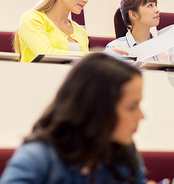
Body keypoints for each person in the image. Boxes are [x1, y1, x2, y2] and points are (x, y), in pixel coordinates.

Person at [0, 52, 149, 183]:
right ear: (97, 108)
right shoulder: (38, 157)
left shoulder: (125, 153)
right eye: (132, 107)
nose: (142, 116)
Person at [15, 0, 91, 62]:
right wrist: (94, 56)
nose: (86, 0)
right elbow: (45, 54)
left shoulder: (81, 31)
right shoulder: (32, 19)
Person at [106, 0, 174, 63]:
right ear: (133, 14)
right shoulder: (115, 48)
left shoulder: (169, 47)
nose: (157, 10)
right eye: (150, 6)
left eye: (155, 5)